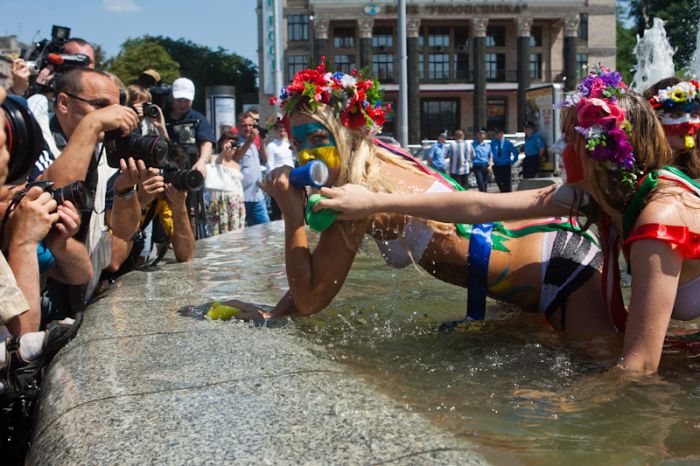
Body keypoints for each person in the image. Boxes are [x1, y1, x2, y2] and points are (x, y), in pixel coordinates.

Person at [316, 67, 700, 376]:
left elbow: (639, 367)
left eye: (569, 140)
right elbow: (481, 206)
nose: (558, 149)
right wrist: (372, 202)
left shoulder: (658, 218)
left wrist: (558, 407)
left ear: (598, 153)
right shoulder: (600, 194)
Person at [229, 64, 610, 339]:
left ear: (348, 135)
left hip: (561, 270)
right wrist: (274, 312)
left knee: (615, 382)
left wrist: (292, 213)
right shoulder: (371, 167)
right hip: (533, 276)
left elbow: (311, 299)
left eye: (318, 139)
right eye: (297, 144)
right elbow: (319, 273)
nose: (305, 155)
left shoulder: (360, 194)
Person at [165, 77, 216, 176]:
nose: (183, 104)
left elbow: (207, 142)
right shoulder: (162, 117)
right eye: (179, 100)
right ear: (172, 98)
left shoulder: (199, 118)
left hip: (190, 170)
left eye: (187, 100)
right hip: (166, 168)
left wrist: (202, 161)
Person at [204, 131, 245, 233]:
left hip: (235, 202)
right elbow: (217, 162)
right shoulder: (214, 158)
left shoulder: (236, 164)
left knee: (236, 233)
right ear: (221, 144)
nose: (231, 148)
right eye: (227, 143)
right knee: (217, 233)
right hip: (219, 201)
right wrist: (224, 151)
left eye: (234, 145)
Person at [233, 112, 269, 226]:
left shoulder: (253, 143)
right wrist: (249, 141)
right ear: (238, 127)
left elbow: (265, 160)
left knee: (265, 229)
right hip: (242, 197)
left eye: (250, 125)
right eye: (244, 125)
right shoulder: (234, 142)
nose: (248, 128)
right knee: (240, 232)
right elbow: (235, 158)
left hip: (257, 196)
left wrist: (262, 141)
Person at [265, 122, 294, 220]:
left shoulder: (288, 145)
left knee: (290, 206)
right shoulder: (271, 146)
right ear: (276, 131)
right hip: (277, 179)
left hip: (290, 178)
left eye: (284, 130)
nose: (282, 133)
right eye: (280, 130)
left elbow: (291, 161)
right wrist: (272, 179)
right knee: (278, 208)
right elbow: (269, 164)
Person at [490, 128, 519, 192]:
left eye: (498, 133)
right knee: (498, 181)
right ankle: (503, 193)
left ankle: (508, 196)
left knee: (507, 183)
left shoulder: (507, 143)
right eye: (496, 134)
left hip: (506, 166)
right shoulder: (493, 143)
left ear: (502, 133)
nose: (497, 135)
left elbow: (516, 153)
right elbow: (490, 153)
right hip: (496, 166)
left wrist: (513, 161)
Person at [471, 127, 492, 192]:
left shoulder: (488, 145)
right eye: (479, 133)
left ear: (485, 135)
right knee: (480, 183)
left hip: (485, 166)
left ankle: (484, 197)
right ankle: (483, 196)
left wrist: (490, 165)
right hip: (477, 166)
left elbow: (490, 156)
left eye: (483, 133)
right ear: (477, 135)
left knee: (485, 183)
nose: (481, 135)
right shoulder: (472, 145)